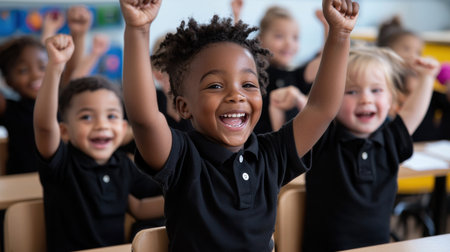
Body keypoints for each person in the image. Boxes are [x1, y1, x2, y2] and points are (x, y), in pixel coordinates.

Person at [119, 0, 358, 251]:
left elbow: (321, 109)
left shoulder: (271, 155)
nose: (237, 95)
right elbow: (144, 118)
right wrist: (138, 30)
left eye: (248, 84)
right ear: (183, 106)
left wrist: (340, 34)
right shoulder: (181, 158)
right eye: (215, 86)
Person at [34, 34, 164, 252]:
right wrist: (55, 66)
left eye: (111, 116)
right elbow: (44, 126)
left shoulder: (123, 164)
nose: (101, 125)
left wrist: (191, 198)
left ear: (123, 128)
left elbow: (140, 209)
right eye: (86, 117)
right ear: (64, 131)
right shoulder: (62, 163)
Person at [302, 46, 440, 251]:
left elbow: (413, 111)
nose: (366, 99)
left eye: (376, 90)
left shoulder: (390, 139)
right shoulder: (324, 138)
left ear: (391, 99)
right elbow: (319, 103)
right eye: (352, 91)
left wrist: (427, 77)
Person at [254, 5, 328, 133]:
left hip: (288, 146)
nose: (289, 43)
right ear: (260, 39)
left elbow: (325, 62)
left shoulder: (294, 75)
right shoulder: (255, 73)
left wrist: (328, 28)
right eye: (279, 36)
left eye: (295, 37)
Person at [376, 16, 449, 141]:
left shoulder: (422, 81)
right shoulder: (381, 85)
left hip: (432, 145)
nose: (413, 56)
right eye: (406, 49)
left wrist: (444, 78)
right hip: (405, 143)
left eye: (418, 52)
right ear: (386, 52)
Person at [0, 36, 46, 174]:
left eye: (42, 67)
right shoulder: (9, 109)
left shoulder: (62, 103)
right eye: (23, 70)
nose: (36, 76)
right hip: (21, 184)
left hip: (58, 184)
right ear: (8, 80)